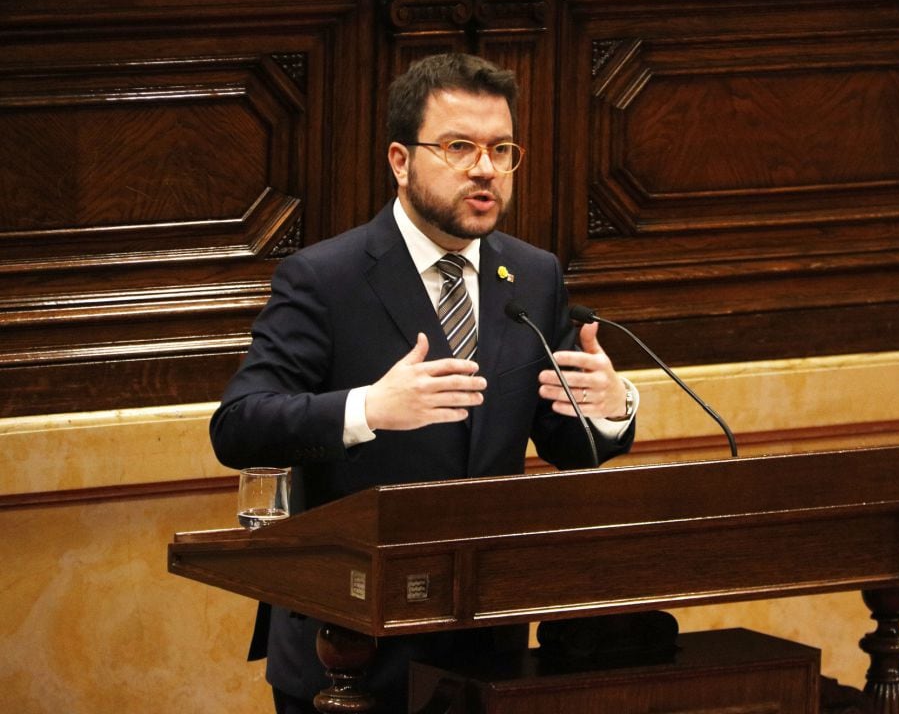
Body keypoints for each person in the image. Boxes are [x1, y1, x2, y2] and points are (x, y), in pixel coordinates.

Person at [209, 52, 638, 713]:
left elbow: (562, 440)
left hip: (486, 647)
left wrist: (608, 411)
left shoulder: (533, 275)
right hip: (348, 653)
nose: (485, 168)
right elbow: (238, 426)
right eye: (459, 147)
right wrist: (368, 409)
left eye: (501, 149)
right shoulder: (324, 279)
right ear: (400, 160)